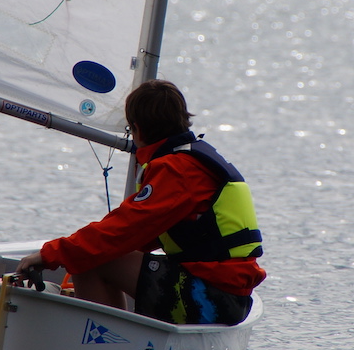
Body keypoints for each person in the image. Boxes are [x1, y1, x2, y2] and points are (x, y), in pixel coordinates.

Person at [17, 80, 264, 325]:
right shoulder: (191, 159)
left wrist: (51, 254)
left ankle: (107, 343)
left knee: (90, 261)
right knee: (95, 252)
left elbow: (124, 230)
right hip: (226, 293)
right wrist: (72, 249)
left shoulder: (177, 170)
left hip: (211, 298)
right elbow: (138, 235)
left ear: (136, 129)